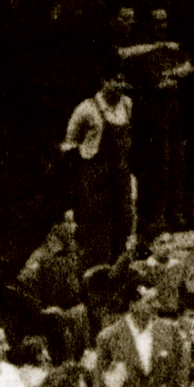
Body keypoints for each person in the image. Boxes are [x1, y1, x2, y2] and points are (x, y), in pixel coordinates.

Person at [61, 76, 136, 266]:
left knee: (123, 225)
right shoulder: (87, 108)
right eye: (115, 80)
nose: (120, 85)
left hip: (121, 176)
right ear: (103, 81)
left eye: (122, 80)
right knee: (97, 230)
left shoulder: (127, 104)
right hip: (95, 178)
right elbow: (69, 146)